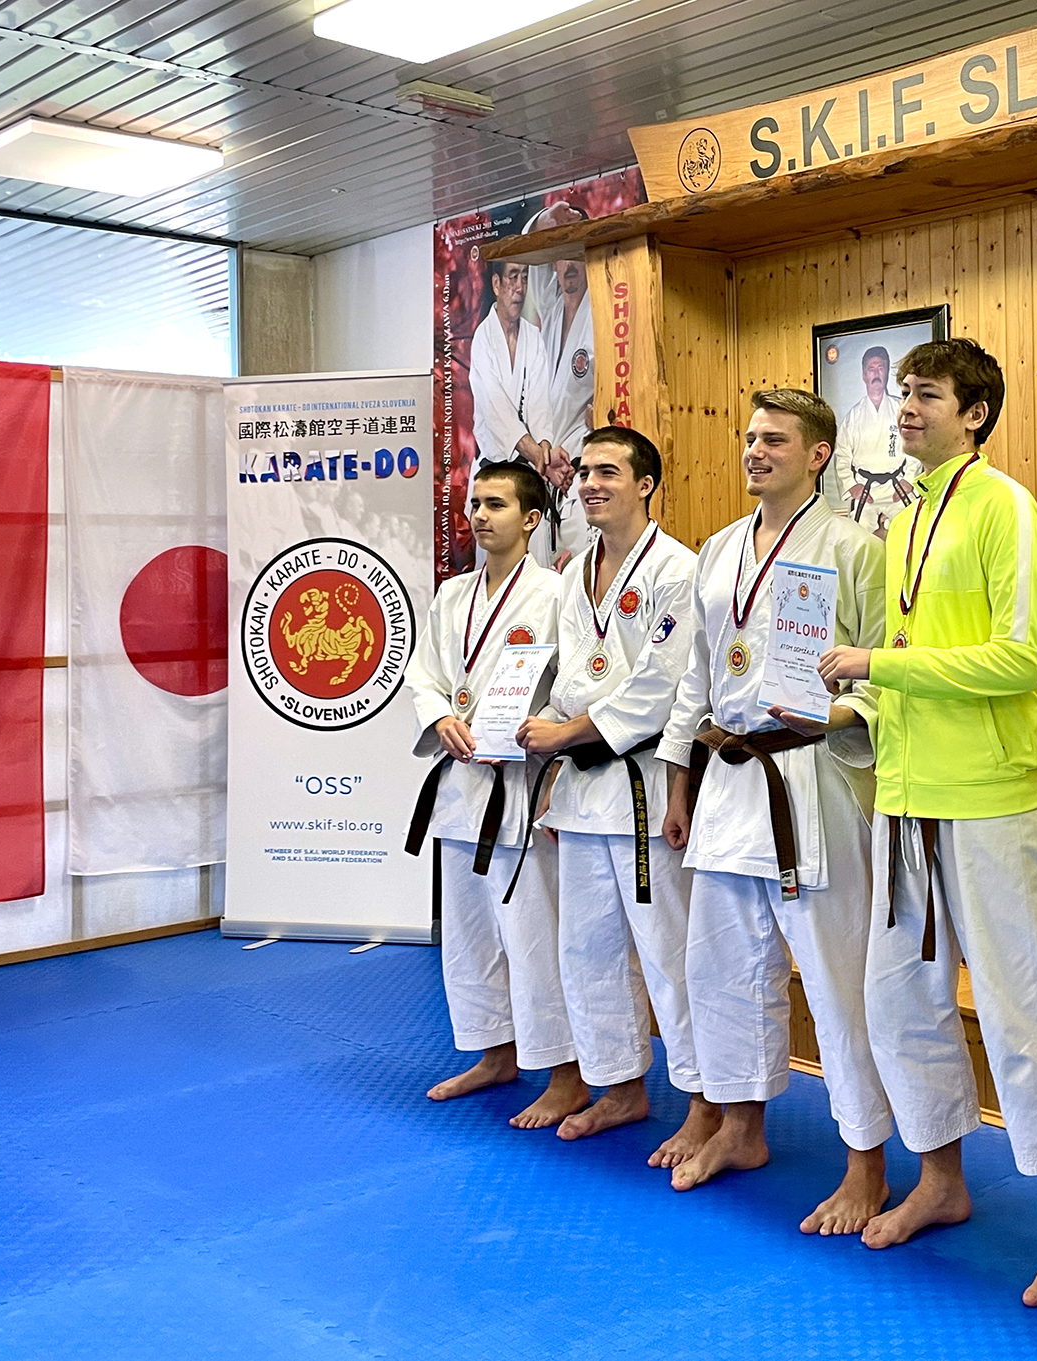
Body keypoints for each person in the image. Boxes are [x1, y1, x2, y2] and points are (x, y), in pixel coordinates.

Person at [817, 338, 1037, 1310]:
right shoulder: (904, 519)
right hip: (907, 796)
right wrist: (849, 707)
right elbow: (906, 654)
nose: (905, 407)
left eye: (926, 394)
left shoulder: (1005, 507)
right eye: (901, 392)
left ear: (975, 412)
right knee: (897, 999)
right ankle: (940, 1179)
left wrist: (877, 666)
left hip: (990, 799)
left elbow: (1016, 657)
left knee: (1028, 1009)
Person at [659, 388, 894, 1235]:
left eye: (775, 439)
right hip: (728, 777)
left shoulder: (856, 548)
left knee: (835, 981)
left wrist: (838, 716)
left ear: (819, 454)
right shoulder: (719, 548)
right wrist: (679, 782)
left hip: (810, 781)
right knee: (720, 967)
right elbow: (696, 674)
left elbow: (880, 672)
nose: (755, 450)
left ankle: (865, 1163)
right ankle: (740, 1126)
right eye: (750, 436)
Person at [514, 427, 716, 1166]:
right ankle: (619, 1084)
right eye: (585, 471)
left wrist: (567, 731)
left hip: (642, 781)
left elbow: (664, 684)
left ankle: (705, 1102)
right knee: (586, 947)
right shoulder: (575, 573)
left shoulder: (677, 569)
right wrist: (551, 735)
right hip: (582, 786)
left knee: (669, 951)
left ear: (645, 484)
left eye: (608, 471)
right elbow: (571, 672)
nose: (590, 483)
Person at [402, 461, 585, 1128]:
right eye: (475, 502)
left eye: (496, 504)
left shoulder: (557, 594)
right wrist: (438, 717)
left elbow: (571, 685)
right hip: (462, 784)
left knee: (533, 935)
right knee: (470, 933)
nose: (479, 514)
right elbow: (424, 674)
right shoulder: (452, 594)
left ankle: (565, 1074)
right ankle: (495, 1052)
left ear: (532, 519)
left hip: (521, 784)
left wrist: (546, 731)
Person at [469, 260, 553, 519]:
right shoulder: (483, 338)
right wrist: (537, 455)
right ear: (496, 284)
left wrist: (544, 449)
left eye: (525, 277)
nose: (520, 287)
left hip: (529, 471)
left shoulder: (533, 336)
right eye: (513, 277)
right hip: (494, 469)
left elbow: (540, 403)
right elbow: (496, 409)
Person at [535, 246, 595, 567]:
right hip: (546, 469)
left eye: (577, 257)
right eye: (562, 257)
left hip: (579, 465)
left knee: (581, 572)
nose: (569, 265)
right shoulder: (552, 311)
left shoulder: (600, 316)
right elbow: (535, 247)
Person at [830, 346, 919, 535]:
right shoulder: (853, 417)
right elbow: (842, 455)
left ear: (886, 373)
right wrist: (851, 485)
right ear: (864, 375)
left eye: (880, 368)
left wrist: (909, 479)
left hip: (897, 485)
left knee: (911, 532)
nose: (876, 374)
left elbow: (915, 446)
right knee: (858, 538)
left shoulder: (900, 410)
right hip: (866, 488)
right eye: (871, 369)